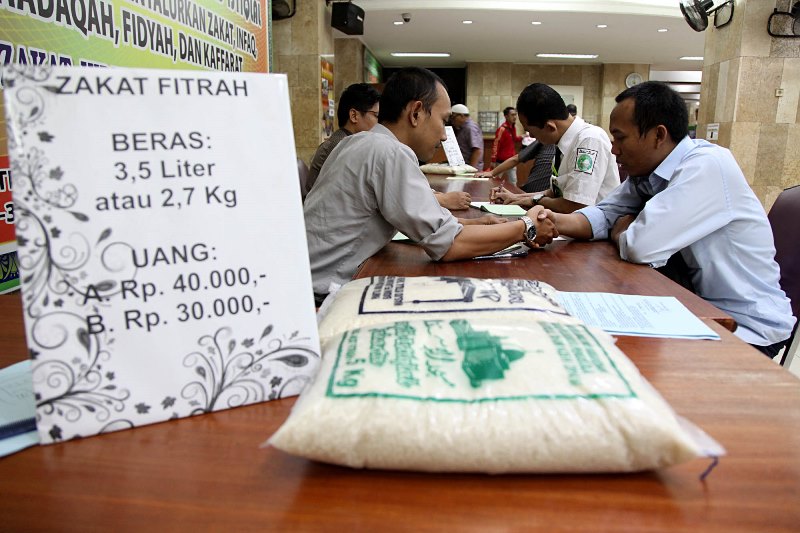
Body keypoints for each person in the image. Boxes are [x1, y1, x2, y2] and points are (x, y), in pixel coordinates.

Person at [548, 81, 795, 356]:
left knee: (620, 360)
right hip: (691, 307)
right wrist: (552, 221)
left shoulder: (706, 165)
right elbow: (607, 213)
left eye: (620, 138)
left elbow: (640, 246)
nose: (614, 150)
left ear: (658, 135)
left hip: (743, 326)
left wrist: (621, 232)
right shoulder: (649, 172)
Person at [304, 67, 558, 303]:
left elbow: (417, 219)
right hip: (323, 292)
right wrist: (526, 226)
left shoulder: (359, 142)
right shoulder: (391, 153)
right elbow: (450, 245)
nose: (445, 134)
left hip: (306, 278)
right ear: (416, 113)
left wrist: (476, 222)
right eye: (443, 119)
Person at [490, 83, 620, 214]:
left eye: (531, 131)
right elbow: (554, 193)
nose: (531, 136)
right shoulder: (561, 143)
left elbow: (575, 205)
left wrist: (535, 201)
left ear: (550, 127)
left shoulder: (589, 140)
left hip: (592, 230)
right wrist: (516, 198)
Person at [307, 83, 381, 192]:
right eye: (375, 115)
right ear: (354, 116)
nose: (377, 122)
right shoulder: (340, 146)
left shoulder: (346, 142)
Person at [476, 140, 556, 193]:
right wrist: (492, 172)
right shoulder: (545, 140)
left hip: (543, 199)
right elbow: (516, 159)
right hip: (528, 192)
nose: (531, 135)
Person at [490, 107, 523, 184]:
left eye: (515, 115)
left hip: (511, 160)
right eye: (512, 115)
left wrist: (522, 137)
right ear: (506, 116)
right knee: (495, 181)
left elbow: (514, 139)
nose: (515, 117)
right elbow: (496, 144)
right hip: (500, 162)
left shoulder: (513, 127)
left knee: (513, 181)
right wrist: (493, 160)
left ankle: (513, 196)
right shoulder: (502, 129)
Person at [450, 104, 484, 169]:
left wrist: (470, 169)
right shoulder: (462, 127)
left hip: (470, 168)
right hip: (465, 167)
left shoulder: (470, 128)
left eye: (453, 117)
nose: (452, 121)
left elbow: (476, 150)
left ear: (462, 116)